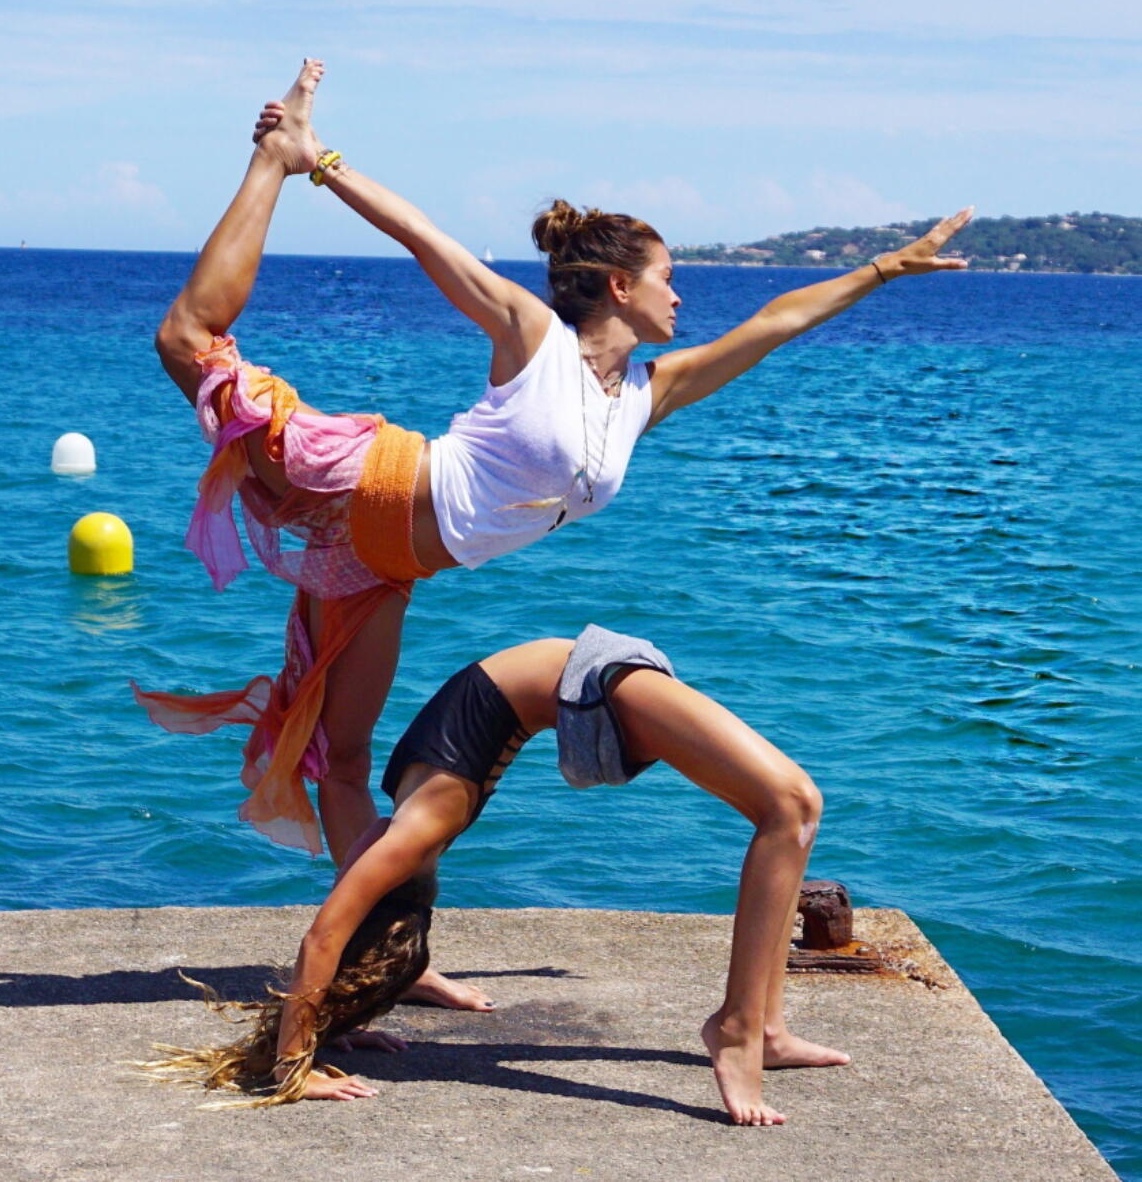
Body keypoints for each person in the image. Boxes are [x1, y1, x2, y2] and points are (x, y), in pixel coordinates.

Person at [134, 55, 968, 1001]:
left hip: (383, 566)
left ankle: (392, 959)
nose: (679, 296)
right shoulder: (532, 338)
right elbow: (425, 238)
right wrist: (318, 160)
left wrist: (884, 270)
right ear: (617, 286)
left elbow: (773, 323)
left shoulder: (645, 398)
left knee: (347, 756)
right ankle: (272, 159)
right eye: (668, 278)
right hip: (367, 481)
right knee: (186, 343)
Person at [142, 625, 843, 1126]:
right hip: (586, 685)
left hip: (584, 681)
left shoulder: (410, 838)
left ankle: (764, 1028)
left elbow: (327, 937)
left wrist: (306, 1047)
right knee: (791, 806)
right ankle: (743, 1028)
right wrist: (339, 1018)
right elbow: (348, 923)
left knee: (790, 807)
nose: (356, 864)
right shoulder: (409, 832)